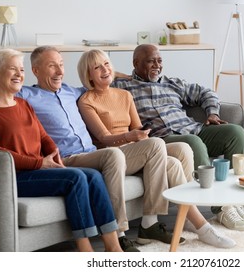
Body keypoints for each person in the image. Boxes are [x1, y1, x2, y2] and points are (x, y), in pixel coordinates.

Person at [15, 46, 188, 251]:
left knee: (173, 152)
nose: (60, 71)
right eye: (52, 66)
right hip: (67, 158)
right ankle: (119, 232)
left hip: (91, 154)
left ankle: (155, 222)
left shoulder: (73, 92)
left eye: (61, 65)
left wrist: (118, 73)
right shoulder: (27, 94)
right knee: (115, 154)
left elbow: (102, 80)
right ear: (35, 71)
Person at [76, 49, 236, 248]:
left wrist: (138, 135)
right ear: (87, 74)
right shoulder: (86, 101)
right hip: (112, 155)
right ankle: (200, 227)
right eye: (97, 67)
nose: (104, 69)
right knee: (156, 143)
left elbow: (136, 128)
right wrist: (132, 137)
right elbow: (104, 138)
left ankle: (154, 223)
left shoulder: (124, 95)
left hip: (135, 150)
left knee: (181, 151)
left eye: (107, 64)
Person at [0, 48, 123, 252]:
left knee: (94, 177)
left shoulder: (23, 104)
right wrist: (41, 163)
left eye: (21, 70)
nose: (19, 74)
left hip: (39, 169)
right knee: (75, 178)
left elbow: (43, 137)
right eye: (12, 69)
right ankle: (85, 250)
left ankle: (113, 247)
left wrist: (54, 155)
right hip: (15, 176)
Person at [112, 44, 244, 231]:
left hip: (192, 129)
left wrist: (212, 113)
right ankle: (220, 207)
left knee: (235, 132)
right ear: (136, 63)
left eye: (160, 60)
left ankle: (234, 200)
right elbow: (96, 76)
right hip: (162, 139)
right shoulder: (124, 86)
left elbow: (206, 93)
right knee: (192, 142)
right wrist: (120, 74)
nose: (157, 65)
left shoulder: (172, 83)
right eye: (150, 61)